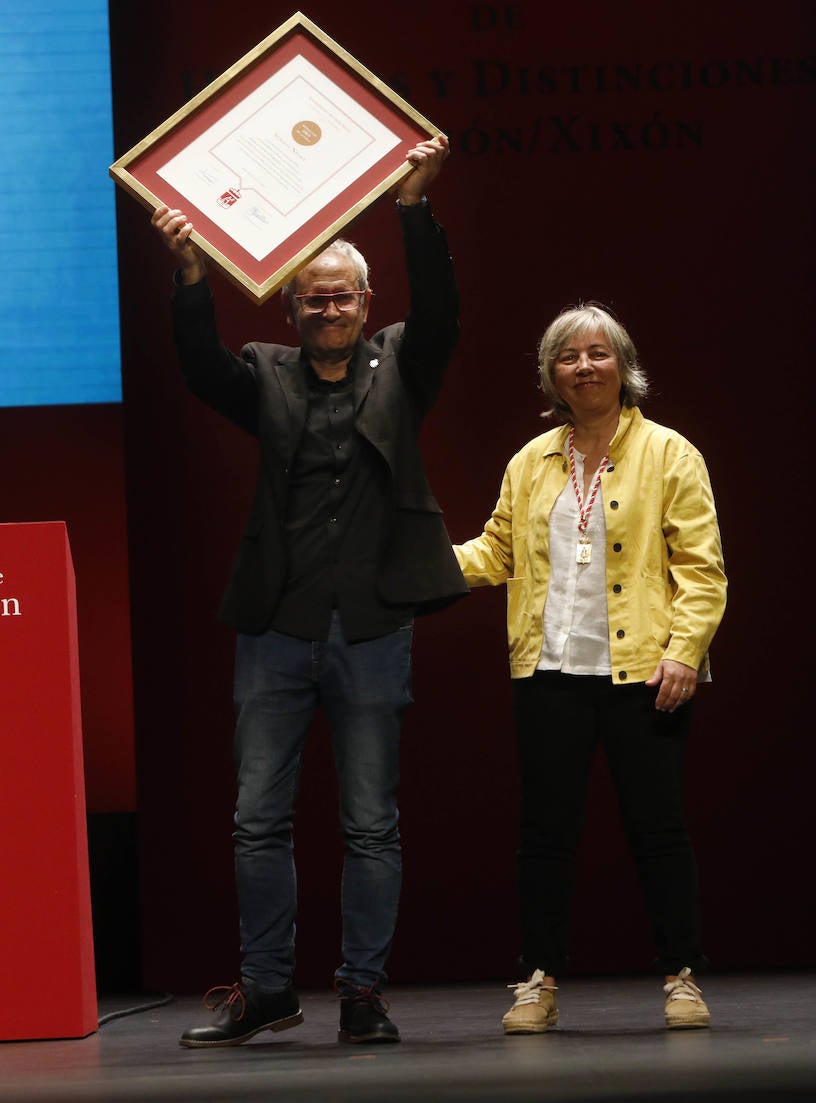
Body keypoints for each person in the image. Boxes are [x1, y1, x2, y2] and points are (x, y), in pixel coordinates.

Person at [154, 135, 467, 1047]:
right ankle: (266, 988)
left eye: (342, 295)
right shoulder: (268, 372)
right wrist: (186, 273)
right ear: (291, 306)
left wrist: (412, 206)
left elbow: (443, 310)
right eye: (313, 296)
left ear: (368, 304)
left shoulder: (403, 365)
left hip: (371, 625)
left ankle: (362, 993)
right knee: (257, 817)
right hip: (277, 625)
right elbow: (200, 366)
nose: (328, 307)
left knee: (370, 822)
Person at [453, 303, 726, 1033]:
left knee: (658, 830)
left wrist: (683, 654)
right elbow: (496, 552)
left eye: (598, 352)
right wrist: (422, 560)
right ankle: (537, 981)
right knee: (545, 835)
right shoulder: (531, 460)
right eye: (568, 356)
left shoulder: (671, 453)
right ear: (552, 375)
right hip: (548, 671)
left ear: (624, 365)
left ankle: (683, 976)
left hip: (644, 671)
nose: (584, 365)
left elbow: (703, 571)